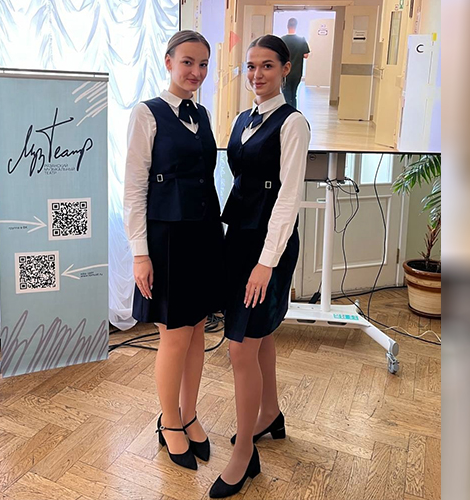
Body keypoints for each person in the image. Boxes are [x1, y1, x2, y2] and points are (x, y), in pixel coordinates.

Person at [209, 34, 310, 499]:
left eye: (267, 65)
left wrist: (266, 263)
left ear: (286, 69)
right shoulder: (242, 119)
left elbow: (288, 198)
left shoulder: (293, 124)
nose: (256, 75)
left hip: (270, 246)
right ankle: (269, 414)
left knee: (240, 349)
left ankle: (244, 454)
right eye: (250, 66)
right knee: (259, 334)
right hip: (240, 238)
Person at [124, 30, 222, 471]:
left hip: (203, 235)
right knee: (175, 335)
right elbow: (133, 188)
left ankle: (189, 413)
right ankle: (168, 421)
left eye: (203, 65)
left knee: (198, 330)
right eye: (187, 62)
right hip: (166, 240)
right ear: (168, 62)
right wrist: (139, 253)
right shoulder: (147, 113)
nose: (195, 72)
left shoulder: (203, 115)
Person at [281, 18, 311, 109]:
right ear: (296, 26)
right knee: (294, 95)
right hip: (297, 72)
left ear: (287, 26)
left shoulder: (282, 40)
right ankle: (293, 112)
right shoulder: (301, 40)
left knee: (286, 95)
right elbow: (306, 55)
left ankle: (287, 113)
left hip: (285, 72)